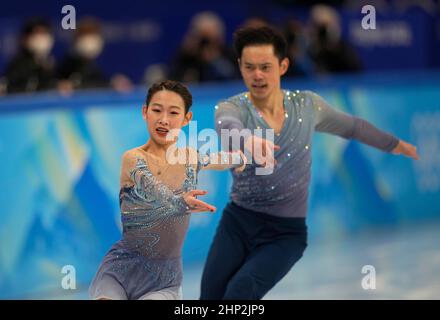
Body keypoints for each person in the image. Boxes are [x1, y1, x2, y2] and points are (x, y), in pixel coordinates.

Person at [199, 26, 419, 300]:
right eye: (249, 67)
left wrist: (394, 144)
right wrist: (249, 141)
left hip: (284, 234)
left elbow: (353, 126)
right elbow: (228, 126)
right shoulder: (230, 107)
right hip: (238, 223)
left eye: (265, 67)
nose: (257, 75)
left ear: (283, 66)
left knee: (240, 292)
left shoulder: (307, 106)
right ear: (240, 67)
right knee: (209, 297)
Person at [89, 80, 246, 300]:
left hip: (164, 281)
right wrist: (181, 202)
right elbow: (156, 191)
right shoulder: (133, 158)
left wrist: (243, 158)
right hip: (119, 271)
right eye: (156, 110)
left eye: (173, 113)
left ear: (186, 119)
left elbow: (218, 159)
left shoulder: (189, 157)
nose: (163, 120)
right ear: (145, 112)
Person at [4, 17, 56, 94]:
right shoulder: (17, 65)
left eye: (44, 33)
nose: (41, 39)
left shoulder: (51, 63)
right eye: (37, 34)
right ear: (25, 38)